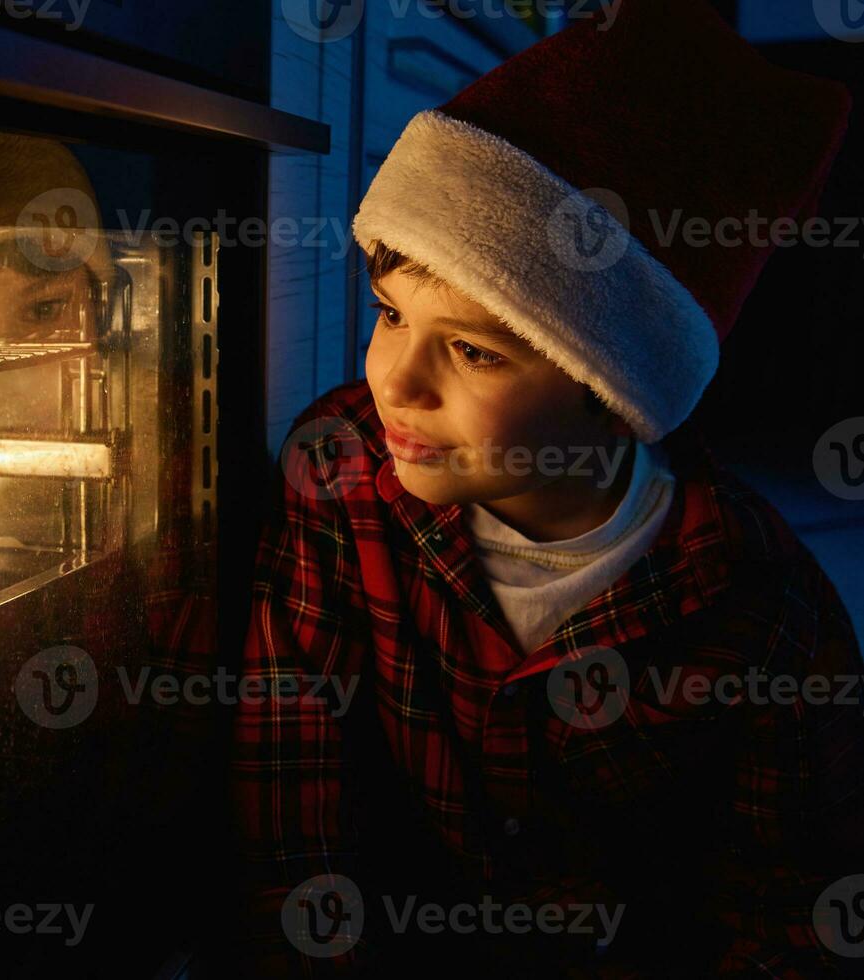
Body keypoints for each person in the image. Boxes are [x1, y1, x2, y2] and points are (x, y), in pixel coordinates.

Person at [233, 0, 864, 975]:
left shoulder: (763, 614)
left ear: (614, 400)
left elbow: (786, 913)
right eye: (390, 313)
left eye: (474, 352)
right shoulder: (342, 465)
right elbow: (292, 787)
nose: (392, 380)